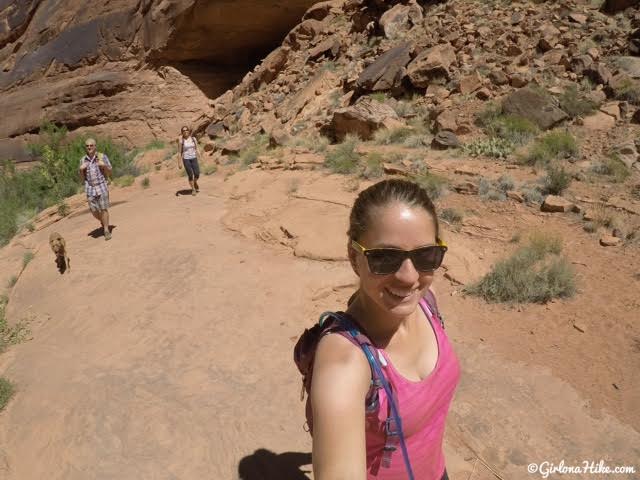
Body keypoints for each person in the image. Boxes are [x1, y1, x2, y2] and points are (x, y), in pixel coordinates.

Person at [309, 179, 460, 480]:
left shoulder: (427, 303)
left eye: (426, 256)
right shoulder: (345, 365)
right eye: (385, 258)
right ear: (354, 258)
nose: (409, 276)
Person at [79, 138, 113, 240]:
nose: (89, 147)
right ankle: (103, 221)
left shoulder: (102, 157)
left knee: (103, 209)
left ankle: (106, 230)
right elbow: (81, 179)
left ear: (95, 146)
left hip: (102, 186)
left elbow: (110, 172)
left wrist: (104, 165)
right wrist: (81, 170)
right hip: (90, 189)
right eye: (87, 146)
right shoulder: (82, 160)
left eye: (91, 145)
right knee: (94, 211)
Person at [177, 126, 202, 196]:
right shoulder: (181, 141)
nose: (185, 131)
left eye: (186, 130)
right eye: (183, 130)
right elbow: (179, 152)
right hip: (186, 159)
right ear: (182, 132)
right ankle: (193, 189)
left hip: (194, 157)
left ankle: (195, 182)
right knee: (190, 175)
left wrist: (200, 156)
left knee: (197, 173)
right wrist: (179, 163)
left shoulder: (193, 139)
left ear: (188, 131)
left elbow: (197, 148)